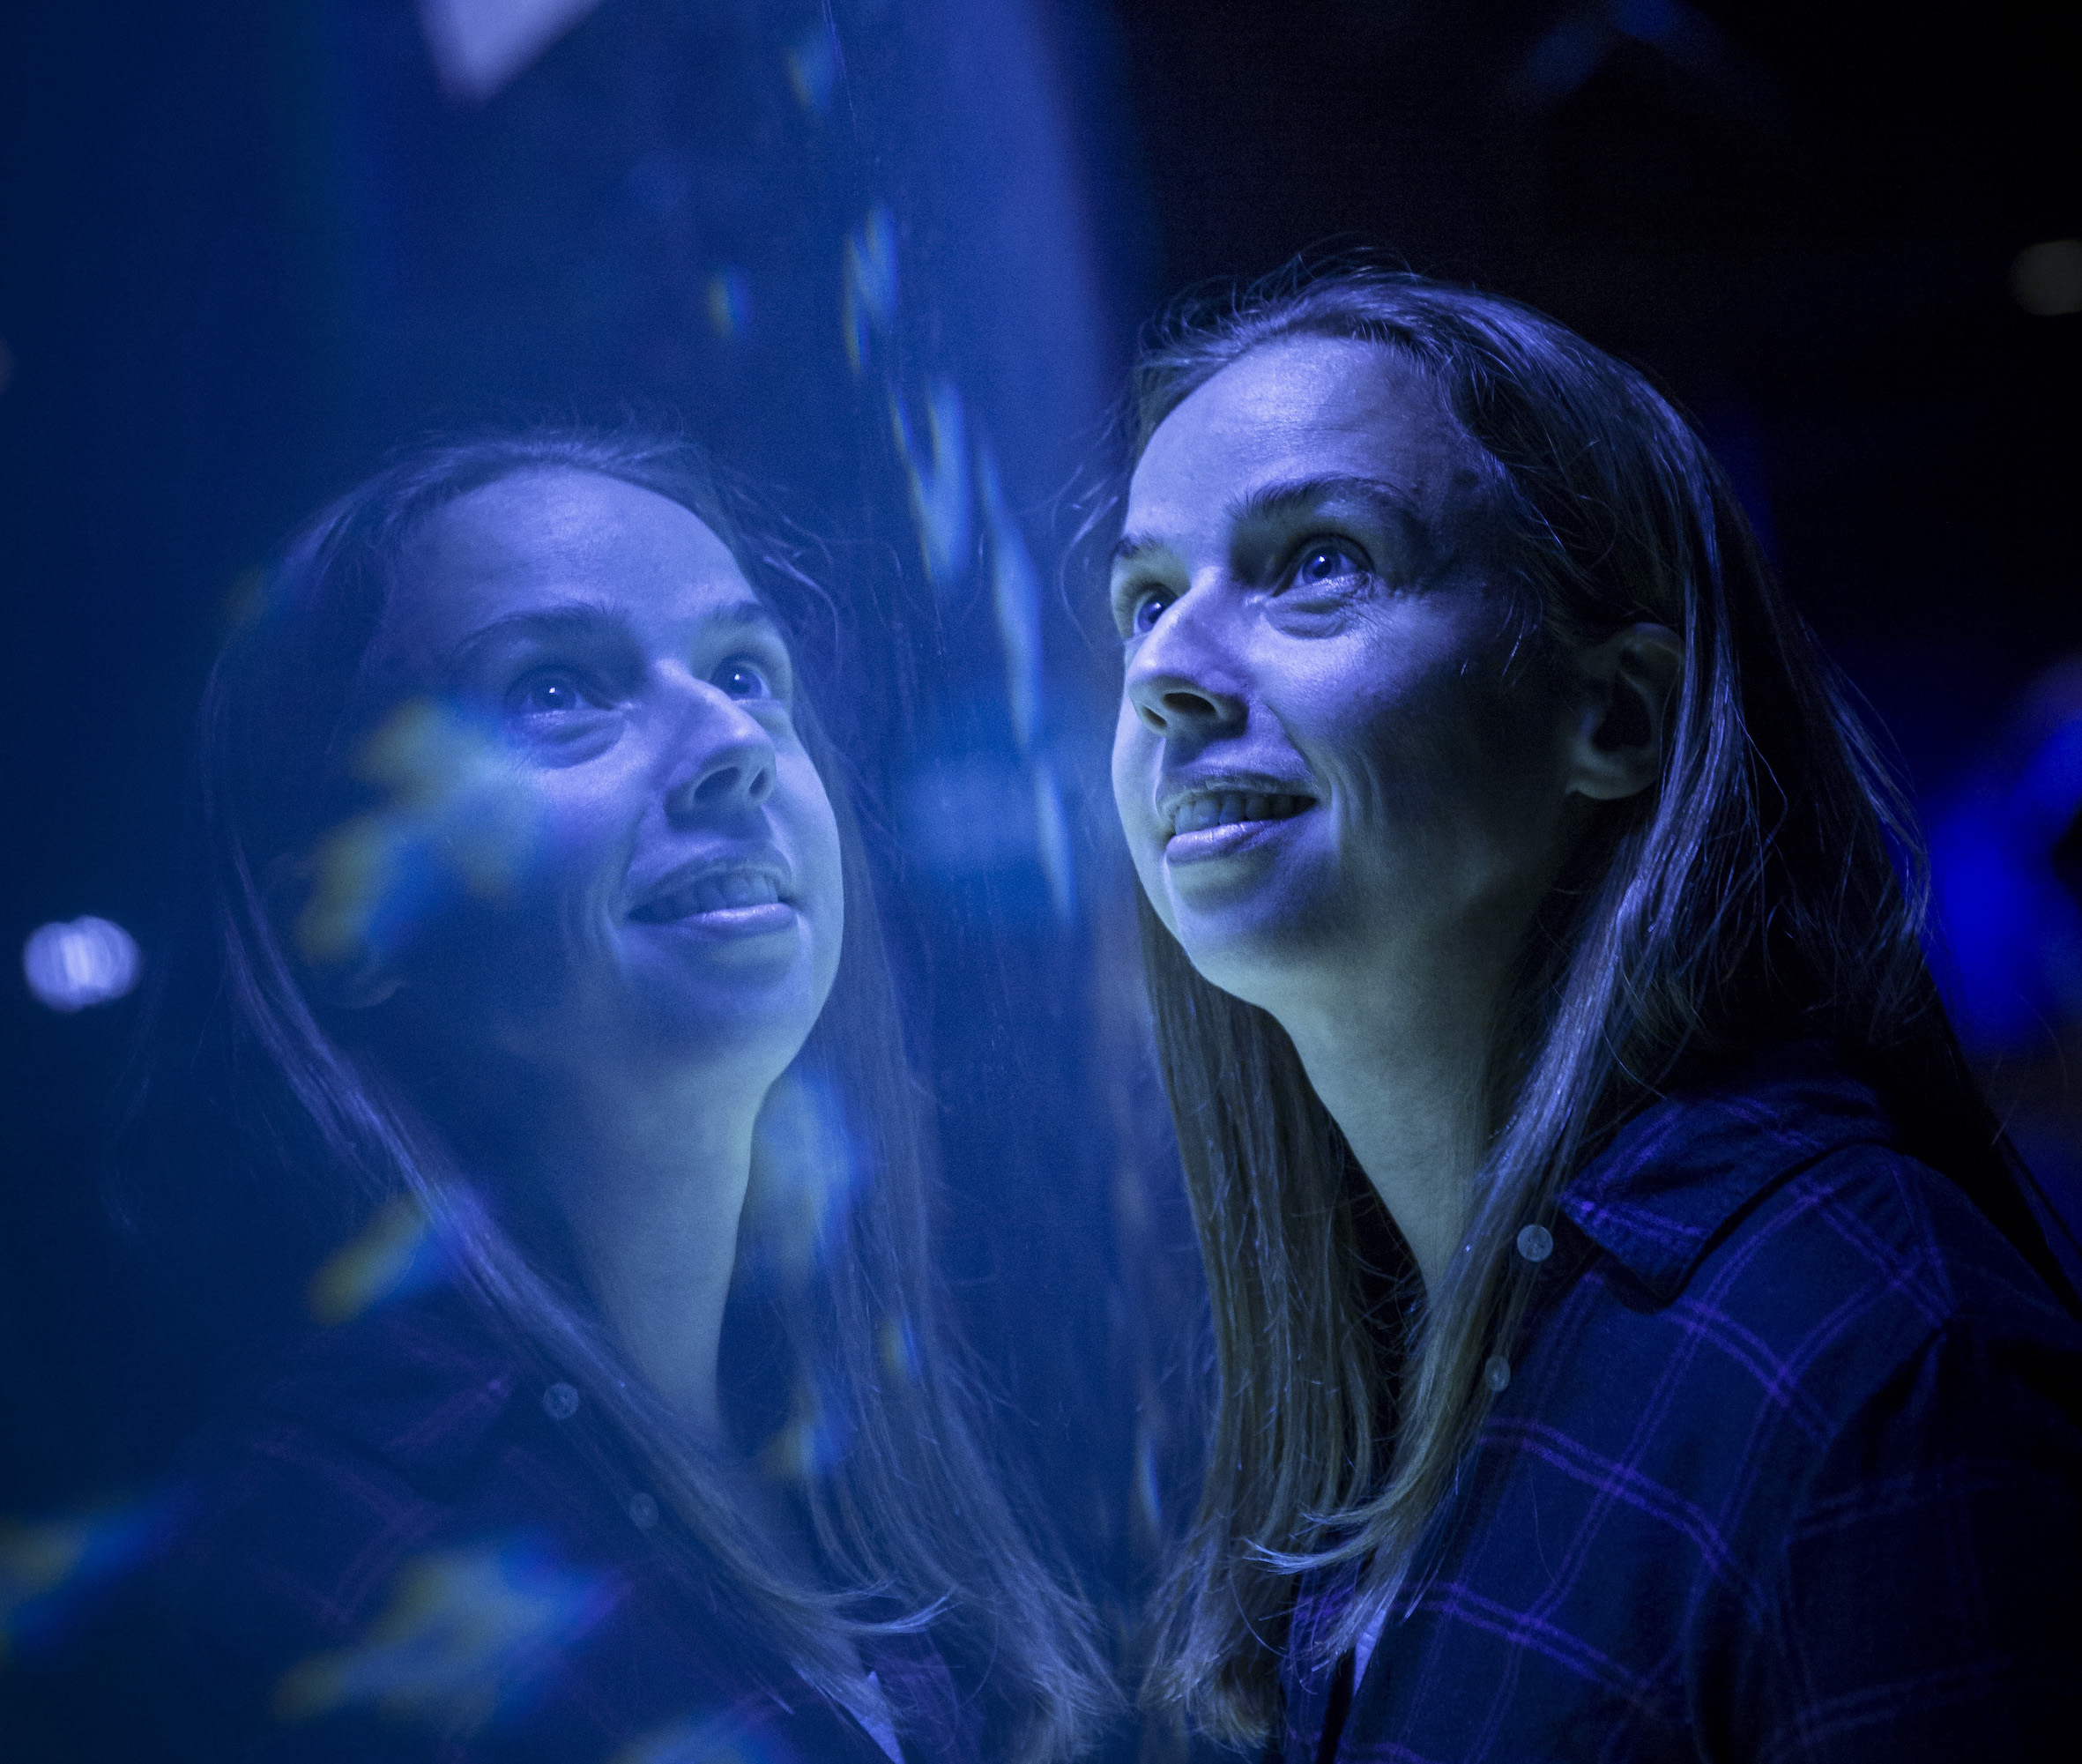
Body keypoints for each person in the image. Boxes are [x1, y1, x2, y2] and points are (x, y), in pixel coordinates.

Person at [16, 432, 1112, 1762]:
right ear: (344, 916)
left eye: (747, 672)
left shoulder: (843, 1463)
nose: (732, 744)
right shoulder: (317, 1582)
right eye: (553, 689)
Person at [1106, 270, 2082, 1760]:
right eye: (1147, 595)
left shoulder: (1876, 1368)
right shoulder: (1416, 1350)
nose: (1167, 667)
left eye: (1316, 561)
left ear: (1611, 715)